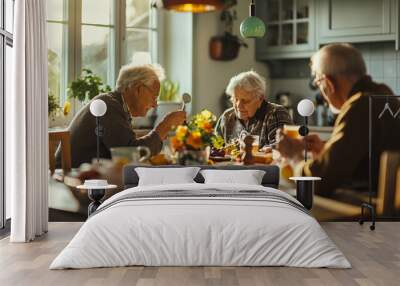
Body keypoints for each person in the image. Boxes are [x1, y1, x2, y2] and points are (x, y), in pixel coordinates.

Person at [277, 43, 400, 197]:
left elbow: (317, 182)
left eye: (318, 83)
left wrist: (293, 156)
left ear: (328, 83)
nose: (321, 92)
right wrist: (326, 150)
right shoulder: (383, 93)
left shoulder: (360, 105)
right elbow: (365, 162)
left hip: (368, 210)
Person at [56, 64, 186, 168]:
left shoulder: (115, 104)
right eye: (154, 97)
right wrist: (165, 125)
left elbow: (128, 147)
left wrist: (162, 130)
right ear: (138, 89)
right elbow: (129, 154)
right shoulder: (108, 106)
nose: (155, 105)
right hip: (72, 181)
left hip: (85, 178)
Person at [215, 70, 293, 150]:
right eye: (235, 99)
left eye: (245, 101)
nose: (238, 106)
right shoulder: (227, 117)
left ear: (260, 98)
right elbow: (214, 147)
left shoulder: (276, 113)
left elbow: (281, 147)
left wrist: (269, 150)